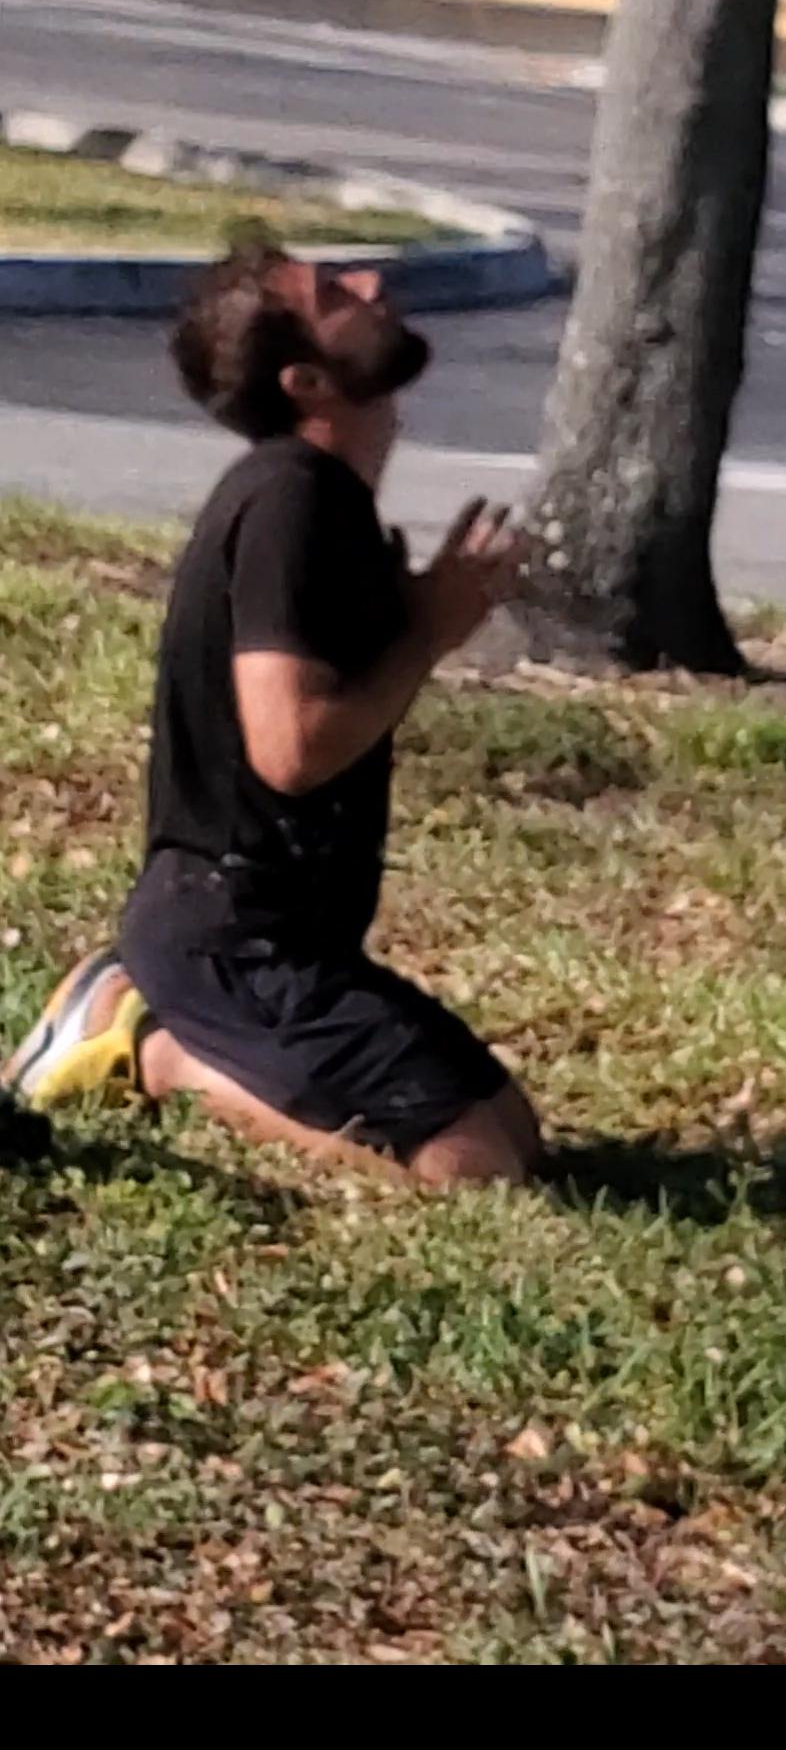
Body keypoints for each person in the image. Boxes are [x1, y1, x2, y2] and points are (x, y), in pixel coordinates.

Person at [4, 232, 541, 1188]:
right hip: (233, 941)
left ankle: (167, 1023)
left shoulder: (325, 503)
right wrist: (429, 631)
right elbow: (291, 747)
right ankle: (144, 1044)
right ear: (308, 382)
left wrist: (415, 617)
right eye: (335, 292)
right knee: (478, 1169)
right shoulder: (292, 500)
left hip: (292, 939)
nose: (373, 283)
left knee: (515, 1133)